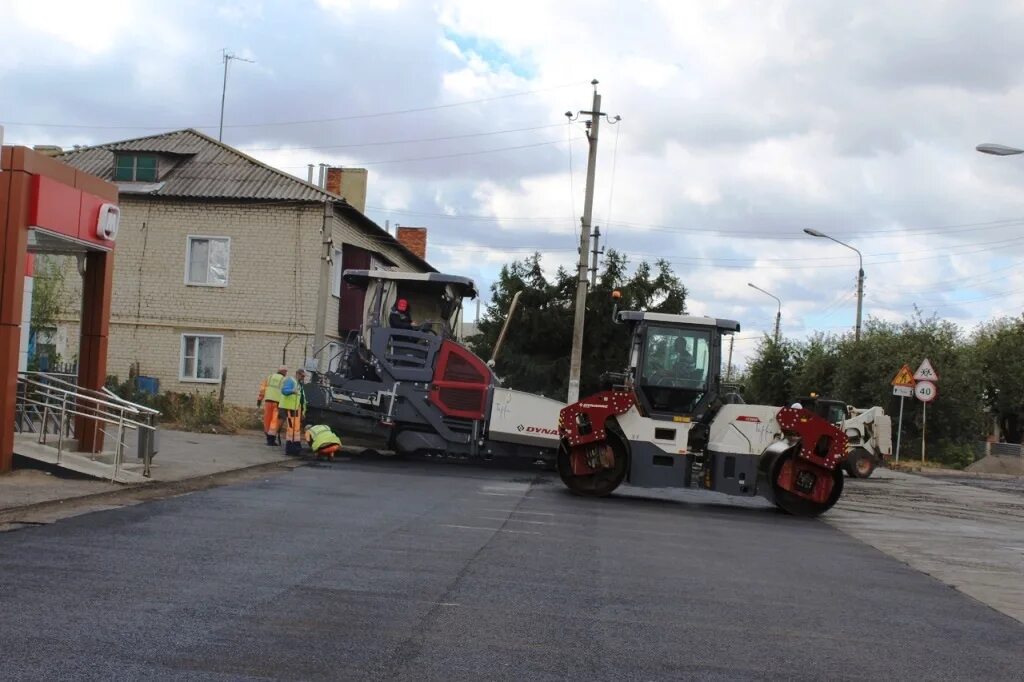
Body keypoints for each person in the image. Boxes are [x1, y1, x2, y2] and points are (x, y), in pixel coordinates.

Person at [279, 368, 307, 456]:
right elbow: (284, 390)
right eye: (302, 376)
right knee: (291, 429)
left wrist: (303, 411)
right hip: (289, 408)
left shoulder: (299, 383)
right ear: (297, 374)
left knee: (296, 429)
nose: (303, 378)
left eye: (304, 376)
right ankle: (290, 448)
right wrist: (292, 391)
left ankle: (295, 447)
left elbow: (301, 399)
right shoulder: (291, 380)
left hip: (295, 408)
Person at [257, 366, 287, 446]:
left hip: (268, 401)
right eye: (286, 372)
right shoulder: (284, 380)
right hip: (277, 403)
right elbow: (285, 392)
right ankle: (271, 439)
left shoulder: (269, 377)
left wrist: (260, 399)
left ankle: (268, 437)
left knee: (267, 419)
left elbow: (262, 389)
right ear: (284, 372)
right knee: (274, 421)